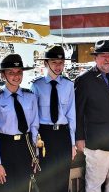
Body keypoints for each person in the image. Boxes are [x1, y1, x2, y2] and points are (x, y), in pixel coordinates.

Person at [75, 40, 109, 192]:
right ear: (95, 58)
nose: (107, 59)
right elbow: (78, 111)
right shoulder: (84, 80)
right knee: (94, 185)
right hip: (97, 142)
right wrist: (79, 137)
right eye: (103, 55)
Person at [0, 53, 39, 192]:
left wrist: (36, 154)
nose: (16, 76)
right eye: (11, 73)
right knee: (5, 188)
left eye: (19, 72)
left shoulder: (30, 97)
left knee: (25, 187)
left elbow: (34, 127)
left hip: (25, 147)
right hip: (5, 148)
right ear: (3, 75)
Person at [31, 45, 76, 192]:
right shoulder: (36, 86)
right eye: (54, 62)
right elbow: (33, 118)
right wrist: (34, 144)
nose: (58, 66)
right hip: (45, 136)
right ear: (46, 63)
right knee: (46, 180)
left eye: (61, 62)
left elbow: (71, 115)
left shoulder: (69, 85)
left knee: (63, 179)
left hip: (63, 135)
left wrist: (72, 143)